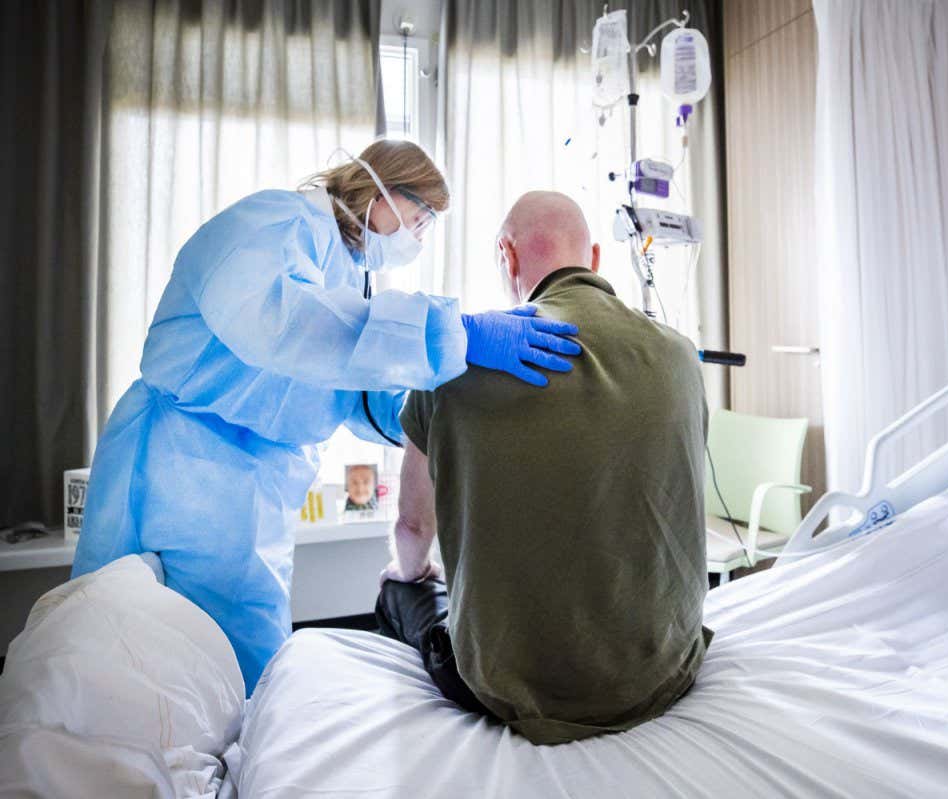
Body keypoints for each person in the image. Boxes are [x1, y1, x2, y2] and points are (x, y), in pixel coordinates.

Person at [72, 141, 582, 695]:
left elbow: (350, 388)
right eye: (420, 218)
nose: (419, 235)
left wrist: (437, 404)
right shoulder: (274, 223)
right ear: (382, 190)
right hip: (182, 463)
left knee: (233, 660)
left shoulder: (351, 273)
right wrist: (456, 332)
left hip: (253, 484)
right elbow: (285, 325)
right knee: (127, 649)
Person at [375, 191, 712, 744]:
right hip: (662, 672)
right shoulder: (680, 356)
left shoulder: (454, 361)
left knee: (401, 585)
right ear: (595, 258)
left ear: (506, 255)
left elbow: (413, 529)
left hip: (508, 687)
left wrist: (407, 574)